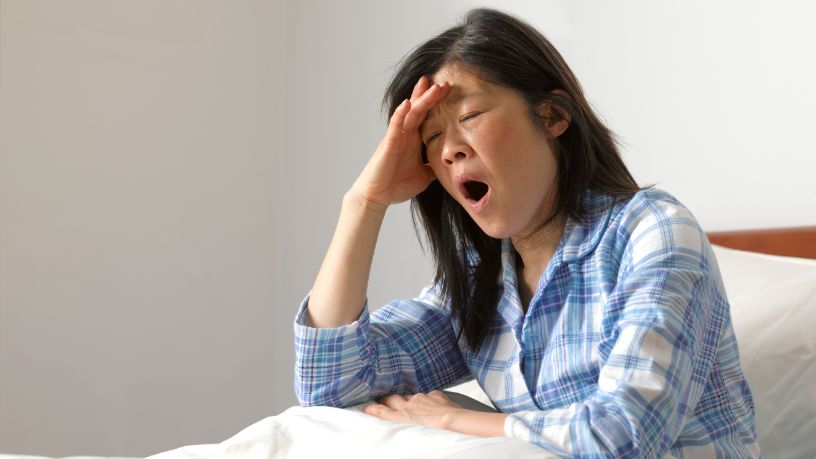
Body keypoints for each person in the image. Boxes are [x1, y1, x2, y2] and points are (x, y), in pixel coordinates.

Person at [293, 8, 759, 458]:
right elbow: (331, 383)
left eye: (469, 117)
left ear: (552, 117)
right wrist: (364, 203)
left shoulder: (653, 231)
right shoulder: (480, 277)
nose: (451, 149)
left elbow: (625, 436)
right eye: (432, 138)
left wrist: (457, 417)